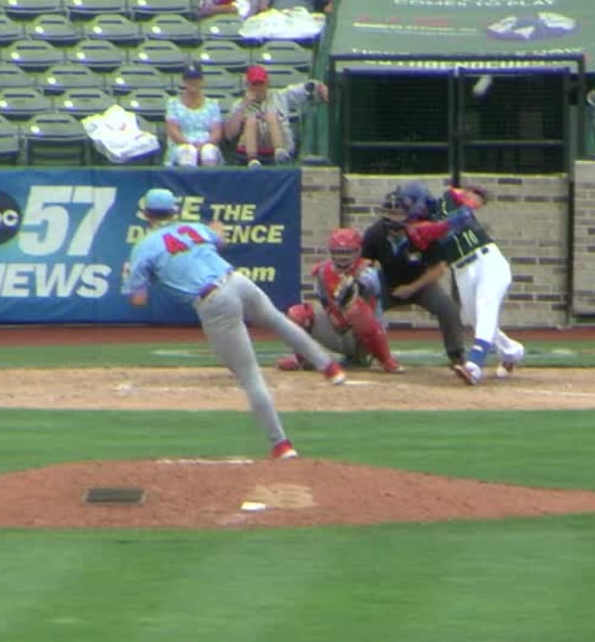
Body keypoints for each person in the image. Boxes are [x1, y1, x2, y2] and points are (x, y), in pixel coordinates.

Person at [123, 187, 346, 461]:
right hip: (238, 281)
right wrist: (216, 230)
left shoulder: (143, 247)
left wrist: (131, 276)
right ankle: (329, 367)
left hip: (213, 300)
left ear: (146, 214)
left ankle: (282, 445)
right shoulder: (192, 228)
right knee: (277, 321)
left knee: (249, 375)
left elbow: (138, 299)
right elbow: (219, 238)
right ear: (174, 211)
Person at [406, 183, 526, 386]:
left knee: (485, 304)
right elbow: (429, 234)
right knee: (473, 318)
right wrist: (451, 222)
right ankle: (512, 352)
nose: (410, 208)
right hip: (461, 270)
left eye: (411, 202)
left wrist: (470, 198)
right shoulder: (415, 228)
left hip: (488, 260)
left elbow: (466, 197)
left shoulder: (447, 199)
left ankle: (474, 365)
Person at [362, 188, 471, 379]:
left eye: (399, 213)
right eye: (390, 213)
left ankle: (457, 357)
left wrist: (411, 289)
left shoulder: (423, 233)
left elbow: (439, 269)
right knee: (362, 308)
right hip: (388, 282)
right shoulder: (374, 234)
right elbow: (365, 265)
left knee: (448, 309)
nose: (395, 218)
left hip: (421, 283)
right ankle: (361, 353)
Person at [276, 228, 402, 374]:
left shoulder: (366, 271)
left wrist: (354, 286)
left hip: (366, 338)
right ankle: (304, 359)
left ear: (357, 252)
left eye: (348, 252)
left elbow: (369, 285)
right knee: (297, 313)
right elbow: (324, 301)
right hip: (338, 328)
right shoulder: (323, 272)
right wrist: (332, 315)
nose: (343, 257)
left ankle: (386, 360)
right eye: (339, 252)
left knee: (354, 310)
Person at [222, 65, 328, 166]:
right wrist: (243, 107)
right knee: (251, 121)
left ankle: (280, 155)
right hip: (252, 146)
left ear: (267, 83)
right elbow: (229, 135)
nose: (258, 88)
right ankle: (252, 160)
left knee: (271, 116)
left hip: (282, 143)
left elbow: (305, 88)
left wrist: (319, 86)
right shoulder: (239, 104)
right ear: (248, 85)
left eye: (261, 83)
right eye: (254, 84)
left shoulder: (280, 96)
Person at [164, 63, 224, 167]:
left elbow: (216, 133)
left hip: (206, 143)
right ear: (183, 81)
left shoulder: (212, 104)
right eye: (189, 79)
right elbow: (173, 131)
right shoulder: (173, 103)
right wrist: (189, 144)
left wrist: (203, 144)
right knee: (188, 152)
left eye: (196, 78)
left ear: (202, 80)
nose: (193, 82)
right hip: (181, 144)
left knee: (208, 151)